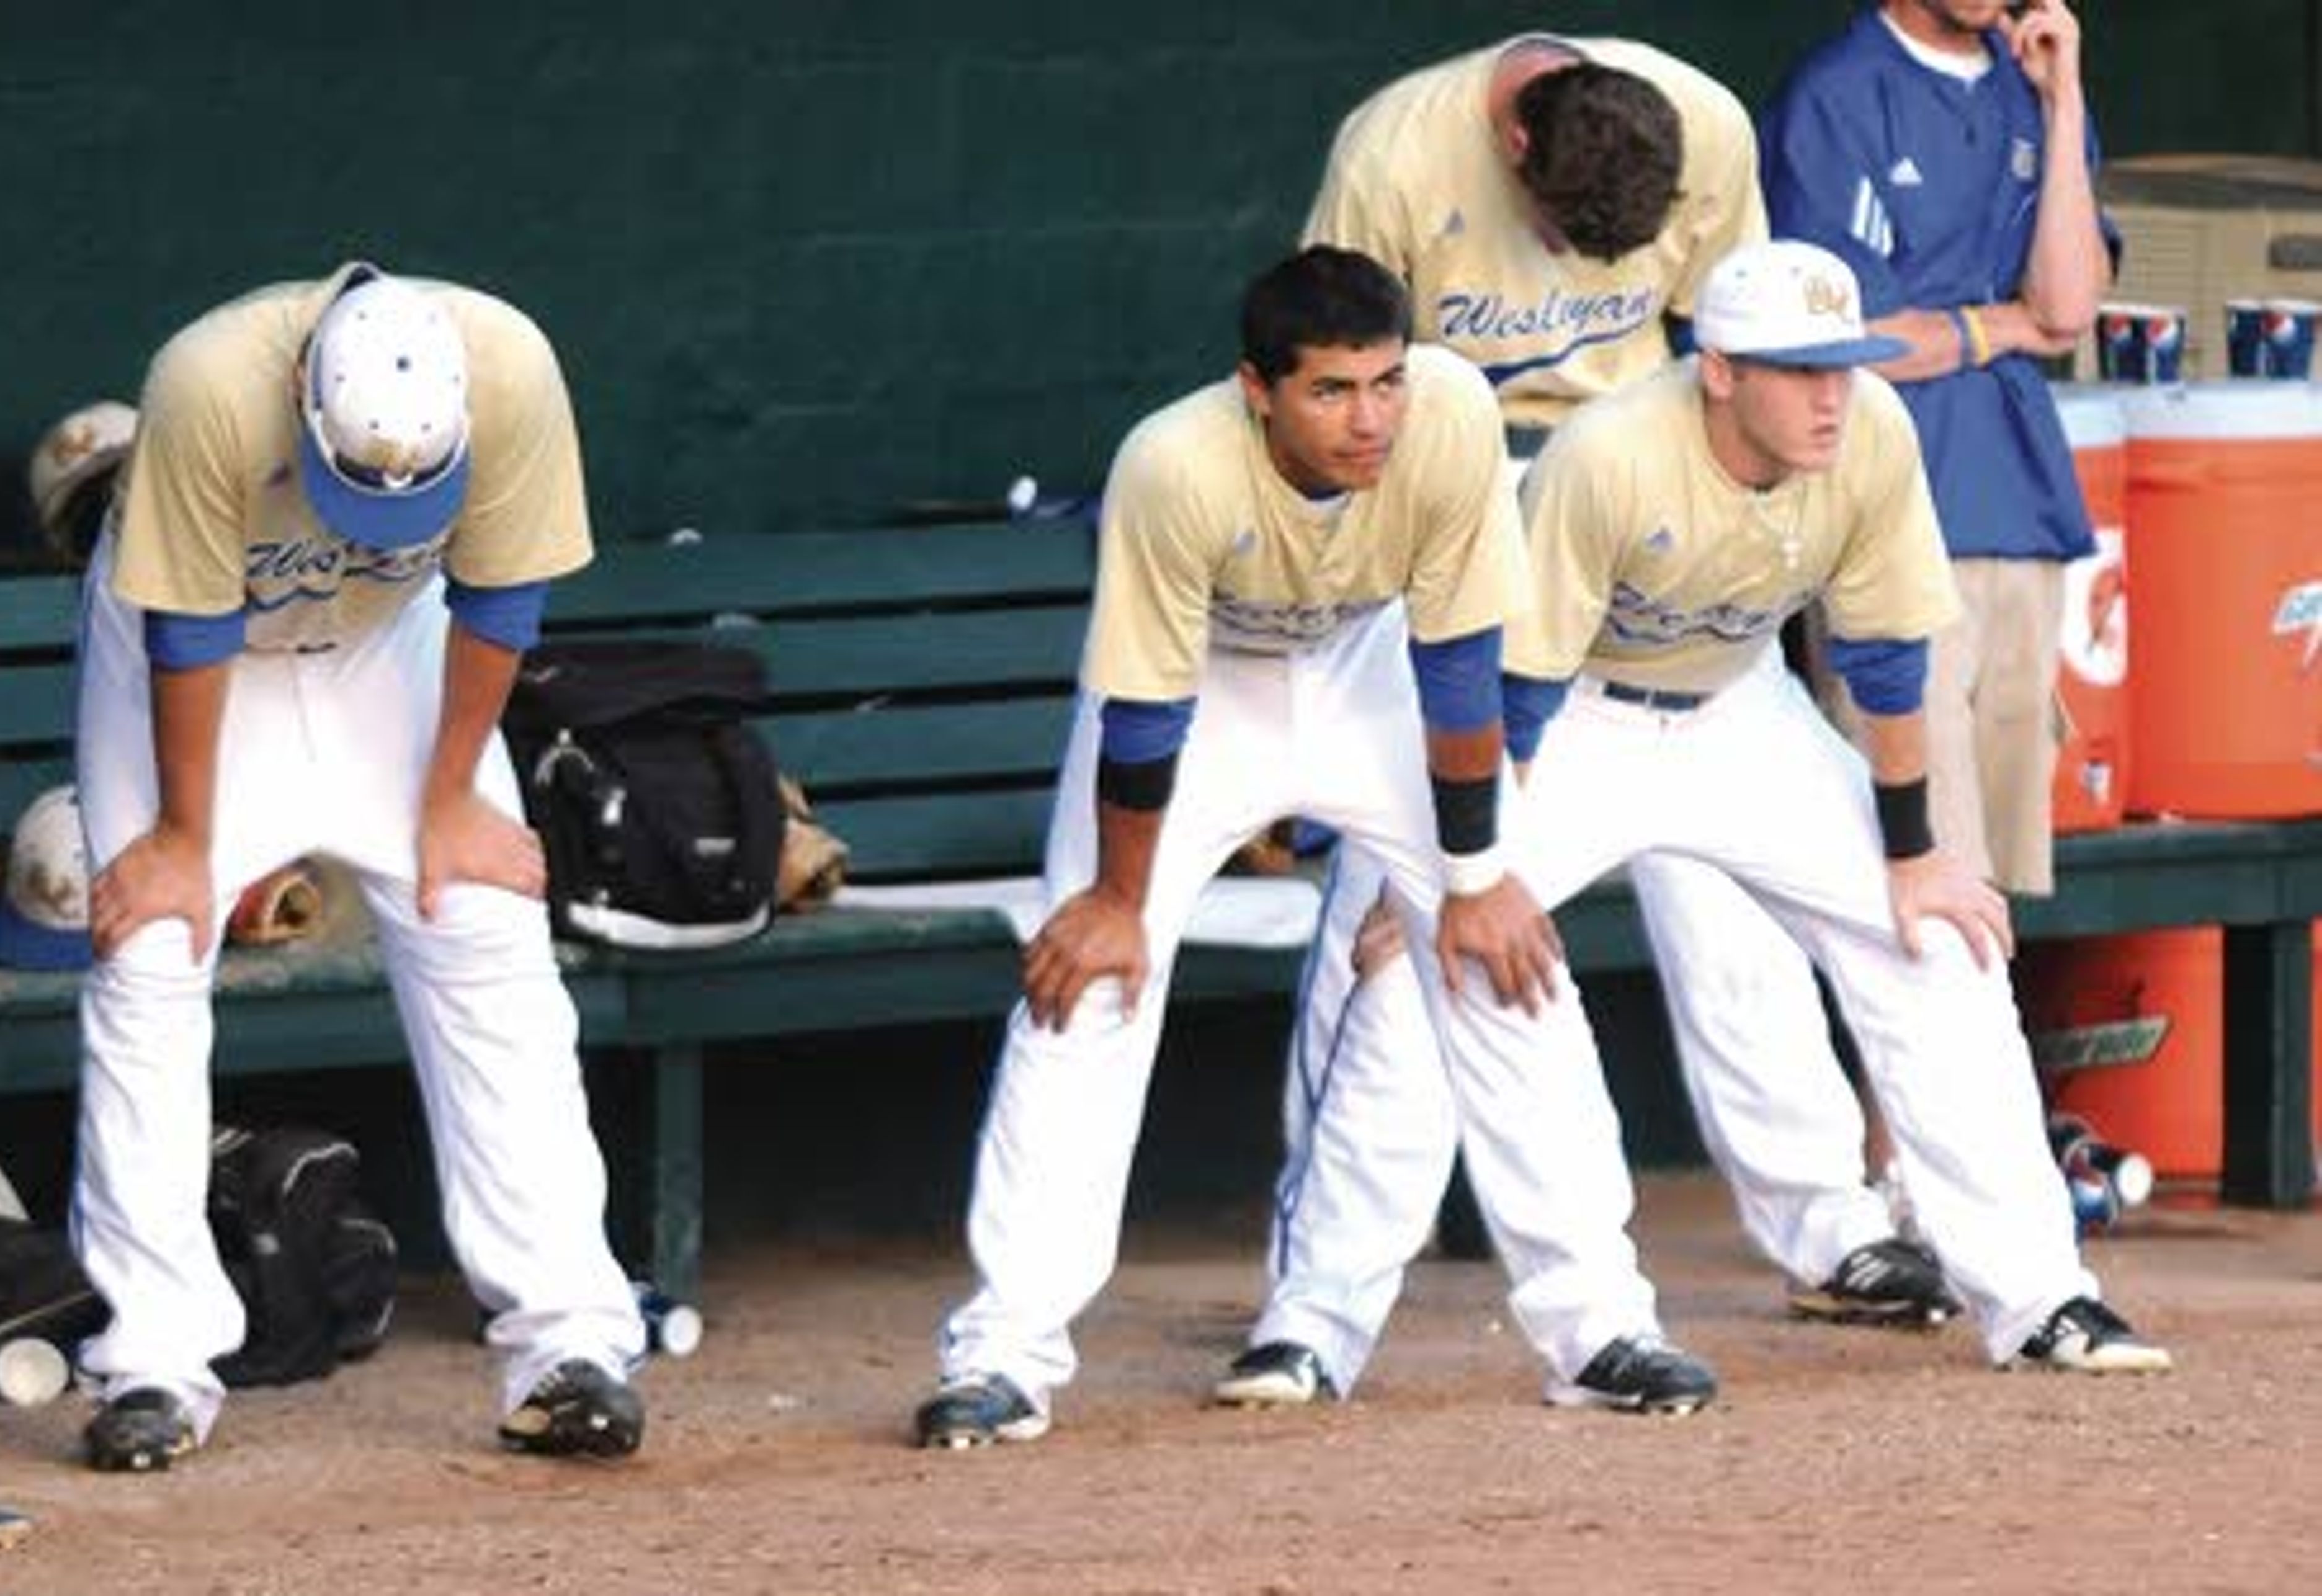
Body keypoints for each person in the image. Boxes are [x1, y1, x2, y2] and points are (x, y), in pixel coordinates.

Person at [1220, 33, 1952, 1413]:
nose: (1587, 269)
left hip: (1643, 517)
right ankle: (1312, 1303)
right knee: (1408, 923)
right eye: (1564, 235)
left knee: (1731, 894)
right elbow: (1334, 392)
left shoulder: (1710, 127)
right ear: (1513, 156)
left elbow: (1730, 356)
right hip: (1460, 518)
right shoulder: (1398, 149)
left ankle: (1831, 1226)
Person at [914, 246, 1719, 1449]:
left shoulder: (1446, 424)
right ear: (1260, 388)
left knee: (1507, 957)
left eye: (1385, 381)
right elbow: (1144, 718)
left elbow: (1457, 668)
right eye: (1333, 391)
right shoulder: (1174, 463)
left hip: (1366, 675)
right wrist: (1119, 901)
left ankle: (1600, 1325)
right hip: (1203, 695)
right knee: (1085, 983)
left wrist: (1469, 881)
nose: (1370, 416)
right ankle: (1005, 1355)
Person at [1460, 238, 2167, 1381]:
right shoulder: (1611, 453)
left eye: (1842, 363)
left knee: (1941, 940)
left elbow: (1887, 655)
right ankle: (1591, 1328)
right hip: (1575, 717)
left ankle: (2042, 1297)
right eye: (1801, 370)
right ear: (1724, 370)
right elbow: (1520, 692)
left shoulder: (1871, 427)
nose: (1832, 393)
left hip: (1742, 705)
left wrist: (1914, 856)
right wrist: (1471, 871)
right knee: (1462, 958)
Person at [71, 264, 646, 1471]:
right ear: (304, 390)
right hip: (195, 655)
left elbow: (501, 598)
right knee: (151, 953)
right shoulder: (210, 380)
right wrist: (185, 842)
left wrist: (446, 803)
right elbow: (189, 628)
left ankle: (570, 1344)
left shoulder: (510, 369)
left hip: (388, 645)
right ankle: (156, 1364)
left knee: (485, 919)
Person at [1758, 0, 2108, 899]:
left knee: (1995, 888)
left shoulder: (2030, 89)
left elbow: (2067, 308)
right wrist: (2003, 324)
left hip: (2021, 503)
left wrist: (2065, 103)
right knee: (1913, 874)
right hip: (1890, 504)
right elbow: (1847, 338)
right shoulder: (1837, 95)